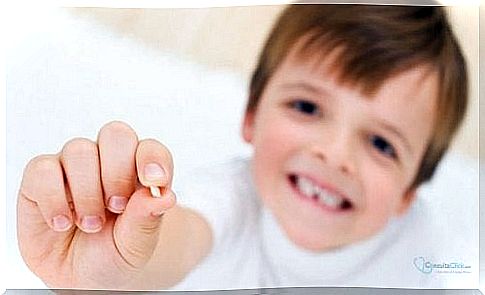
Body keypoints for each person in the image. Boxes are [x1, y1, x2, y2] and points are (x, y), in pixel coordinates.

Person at [16, 4, 468, 290]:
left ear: (410, 192)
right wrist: (116, 266)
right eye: (308, 107)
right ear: (252, 115)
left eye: (381, 144)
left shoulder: (419, 243)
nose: (334, 155)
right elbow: (171, 242)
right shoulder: (227, 201)